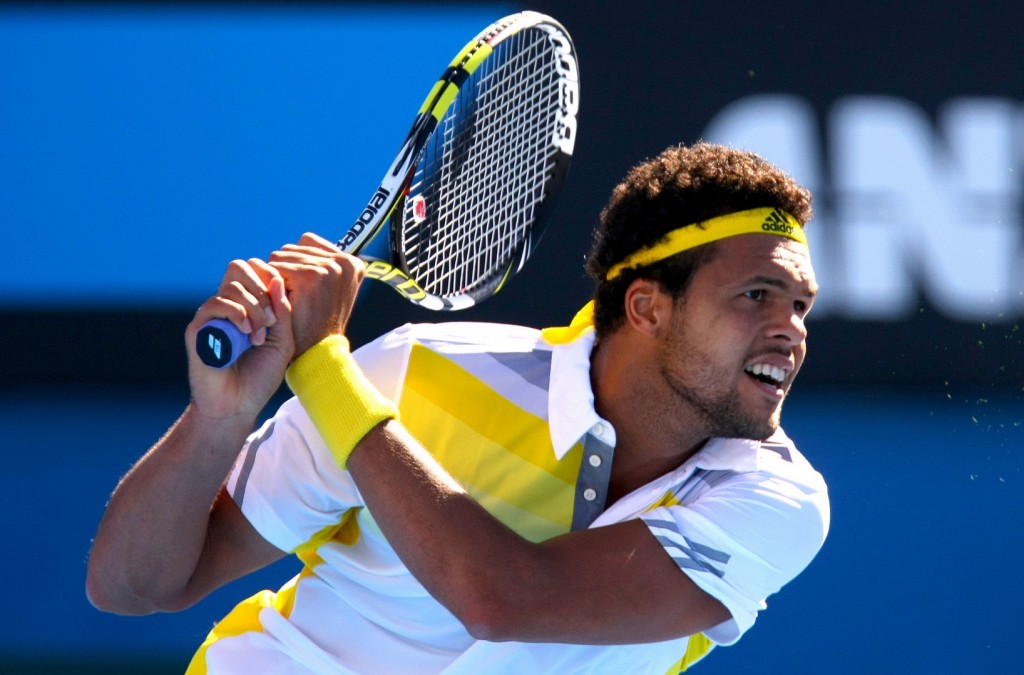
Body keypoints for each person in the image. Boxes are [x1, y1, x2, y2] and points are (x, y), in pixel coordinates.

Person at [87, 142, 830, 674]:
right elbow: (133, 584)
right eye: (755, 295)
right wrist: (220, 417)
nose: (788, 330)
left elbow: (504, 598)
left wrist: (323, 373)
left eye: (800, 305)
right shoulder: (415, 372)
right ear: (646, 308)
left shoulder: (776, 499)